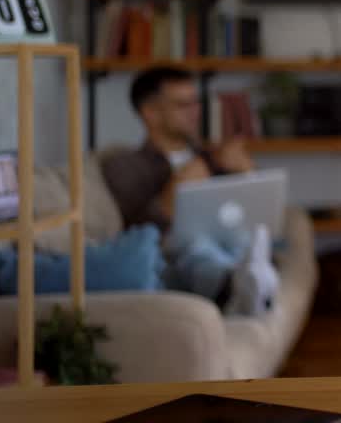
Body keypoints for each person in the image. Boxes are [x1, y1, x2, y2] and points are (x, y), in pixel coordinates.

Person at [101, 66, 276, 315]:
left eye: (196, 103)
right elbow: (140, 231)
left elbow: (252, 212)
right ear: (151, 113)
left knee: (243, 241)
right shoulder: (124, 164)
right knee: (195, 245)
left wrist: (247, 172)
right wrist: (176, 190)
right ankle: (238, 284)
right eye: (183, 105)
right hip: (176, 257)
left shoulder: (212, 156)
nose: (195, 113)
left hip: (226, 243)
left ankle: (246, 279)